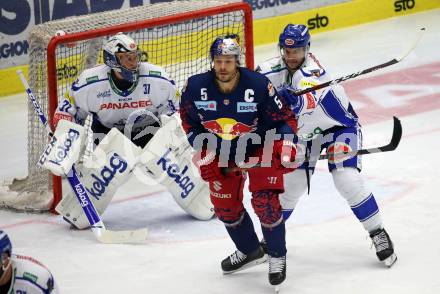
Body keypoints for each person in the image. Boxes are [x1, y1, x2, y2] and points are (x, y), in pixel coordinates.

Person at [256, 24, 397, 267]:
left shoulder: (315, 71)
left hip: (338, 128)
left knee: (346, 179)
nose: (291, 57)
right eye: (287, 52)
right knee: (291, 187)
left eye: (297, 51)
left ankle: (377, 232)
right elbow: (250, 90)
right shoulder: (268, 70)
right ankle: (270, 242)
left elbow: (308, 97)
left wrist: (292, 102)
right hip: (302, 134)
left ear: (307, 49)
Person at [49, 32, 213, 230]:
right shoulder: (90, 83)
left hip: (147, 131)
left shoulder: (157, 78)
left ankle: (204, 199)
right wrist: (65, 141)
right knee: (113, 163)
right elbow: (66, 114)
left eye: (135, 57)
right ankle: (79, 209)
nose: (133, 62)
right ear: (112, 60)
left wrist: (176, 141)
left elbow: (178, 110)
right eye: (127, 58)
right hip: (107, 134)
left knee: (165, 158)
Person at [179, 35, 298, 288]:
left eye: (229, 61)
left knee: (265, 202)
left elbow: (285, 119)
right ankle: (250, 250)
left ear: (237, 62)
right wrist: (203, 149)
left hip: (260, 147)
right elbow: (189, 122)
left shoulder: (257, 85)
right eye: (219, 61)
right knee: (225, 209)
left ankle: (277, 256)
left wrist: (286, 144)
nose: (223, 67)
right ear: (213, 62)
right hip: (221, 151)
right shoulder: (194, 87)